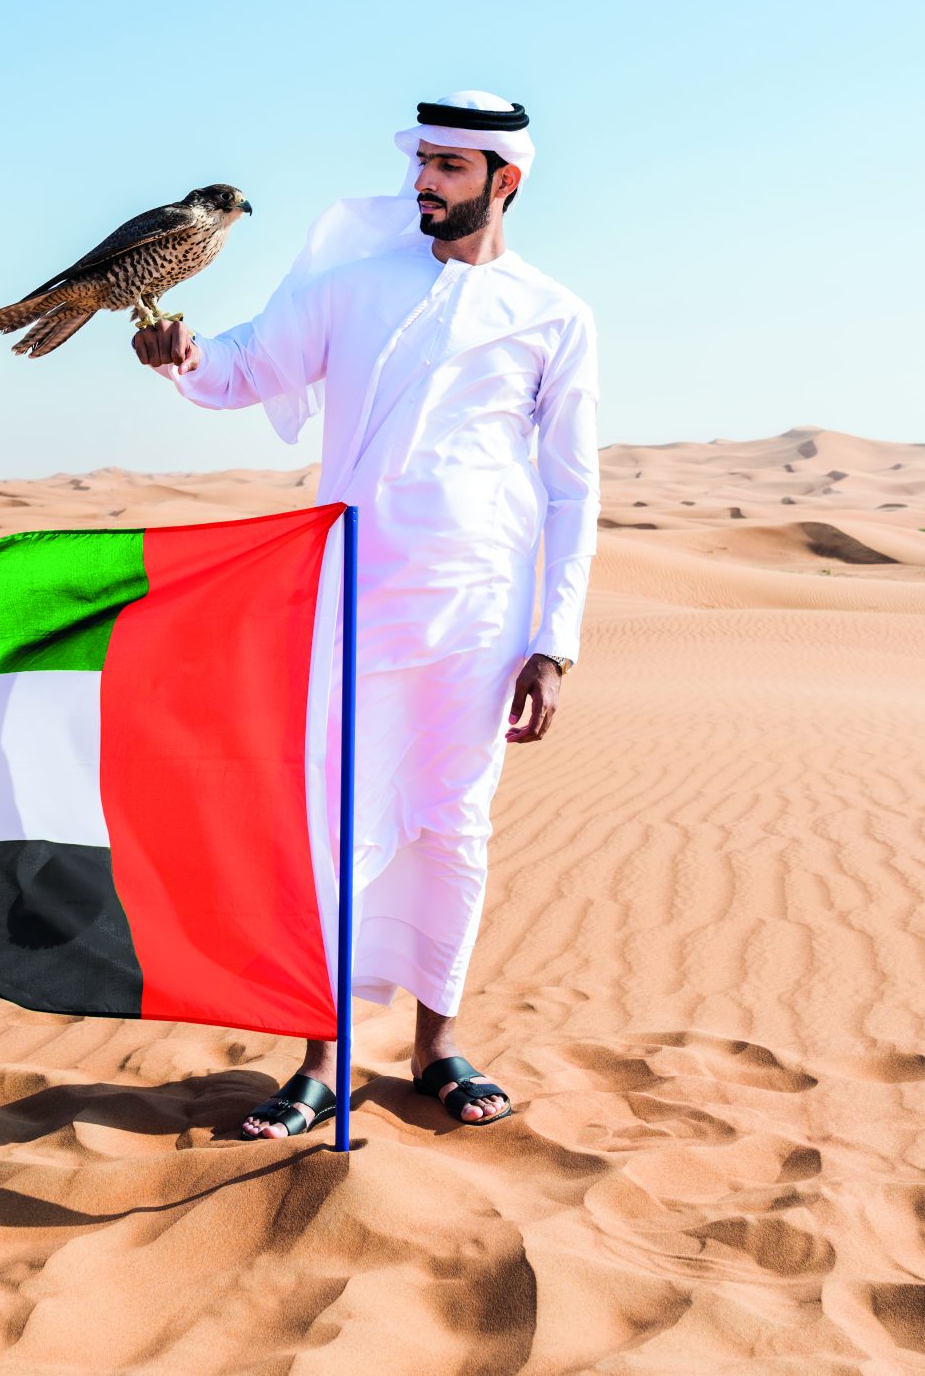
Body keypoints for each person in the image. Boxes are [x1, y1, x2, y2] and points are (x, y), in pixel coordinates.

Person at [131, 91, 600, 1138]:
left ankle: (436, 1046)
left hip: (480, 619)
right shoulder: (352, 287)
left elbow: (572, 488)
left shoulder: (553, 314)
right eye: (421, 162)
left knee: (455, 824)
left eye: (447, 166)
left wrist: (552, 640)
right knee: (332, 824)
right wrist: (183, 355)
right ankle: (320, 1057)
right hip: (353, 603)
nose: (425, 182)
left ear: (503, 181)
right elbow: (246, 366)